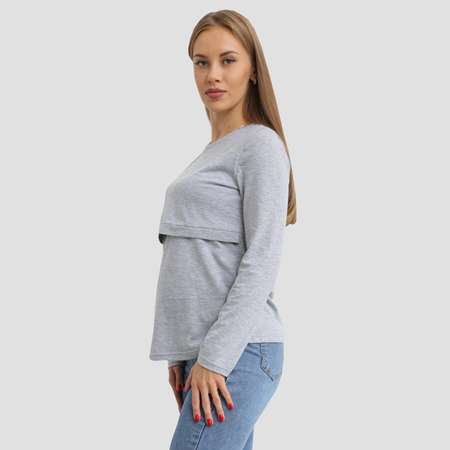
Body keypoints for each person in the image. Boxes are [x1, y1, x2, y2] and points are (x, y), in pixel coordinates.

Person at [149, 9, 297, 450]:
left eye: (227, 60)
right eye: (201, 62)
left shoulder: (260, 146)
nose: (212, 74)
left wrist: (213, 359)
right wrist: (182, 354)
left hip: (239, 351)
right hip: (206, 355)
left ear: (253, 69)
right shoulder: (212, 153)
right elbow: (195, 257)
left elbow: (262, 259)